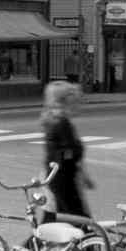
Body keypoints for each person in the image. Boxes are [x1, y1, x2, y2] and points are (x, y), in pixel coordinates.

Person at [41, 78, 92, 222]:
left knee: (53, 217)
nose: (80, 106)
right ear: (66, 102)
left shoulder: (55, 119)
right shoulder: (61, 123)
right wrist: (75, 156)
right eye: (76, 102)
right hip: (62, 179)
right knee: (78, 219)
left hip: (56, 176)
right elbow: (69, 152)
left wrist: (83, 174)